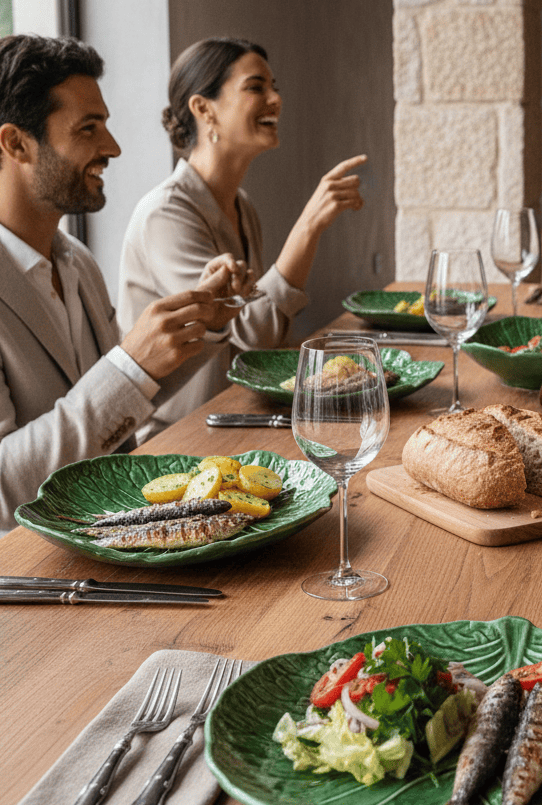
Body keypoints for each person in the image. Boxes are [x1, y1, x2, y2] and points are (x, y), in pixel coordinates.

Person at [0, 33, 243, 535]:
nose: (112, 147)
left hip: (113, 535)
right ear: (15, 143)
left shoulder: (77, 261)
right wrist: (129, 368)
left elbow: (122, 408)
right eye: (89, 129)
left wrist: (203, 325)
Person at [118, 36, 367, 438]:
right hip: (182, 437)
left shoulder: (241, 206)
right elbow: (252, 335)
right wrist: (309, 226)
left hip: (239, 414)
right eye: (256, 87)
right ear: (203, 109)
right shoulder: (164, 215)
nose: (274, 99)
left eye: (275, 87)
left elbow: (264, 342)